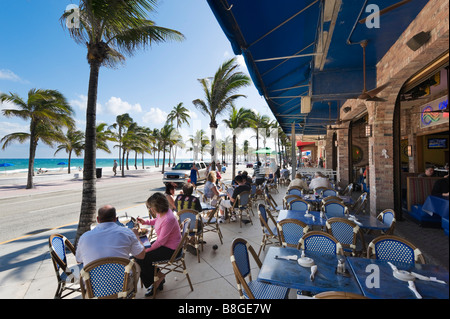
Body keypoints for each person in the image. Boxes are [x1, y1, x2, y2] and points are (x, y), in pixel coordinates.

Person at [136, 193, 182, 296]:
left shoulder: (169, 218)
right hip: (165, 244)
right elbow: (157, 220)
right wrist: (145, 222)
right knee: (139, 255)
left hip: (171, 249)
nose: (150, 209)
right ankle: (159, 276)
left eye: (150, 207)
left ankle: (157, 280)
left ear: (156, 207)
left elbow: (161, 242)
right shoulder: (163, 213)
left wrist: (146, 250)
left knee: (142, 257)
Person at [76, 205, 146, 267]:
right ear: (115, 219)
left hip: (93, 281)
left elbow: (79, 260)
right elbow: (141, 255)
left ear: (98, 219)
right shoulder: (127, 233)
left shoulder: (84, 237)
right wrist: (136, 236)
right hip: (123, 280)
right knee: (137, 267)